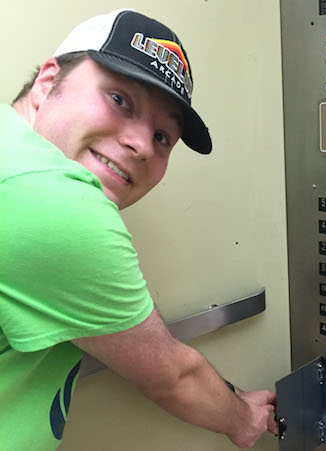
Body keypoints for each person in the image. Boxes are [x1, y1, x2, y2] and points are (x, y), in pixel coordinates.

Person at [0, 9, 277, 450]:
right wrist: (243, 418)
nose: (143, 145)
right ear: (47, 82)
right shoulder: (55, 201)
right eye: (120, 100)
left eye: (163, 136)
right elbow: (172, 376)